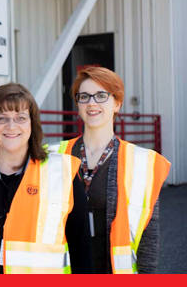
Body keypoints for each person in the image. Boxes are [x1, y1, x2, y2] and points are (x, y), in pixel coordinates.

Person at [0, 83, 94, 274]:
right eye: (2, 118)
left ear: (32, 124)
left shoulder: (62, 174)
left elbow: (82, 251)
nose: (11, 126)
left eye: (20, 118)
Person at [49, 67, 171, 274]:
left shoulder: (142, 163)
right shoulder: (53, 156)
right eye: (84, 96)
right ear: (78, 105)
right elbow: (11, 164)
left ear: (117, 103)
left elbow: (148, 238)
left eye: (101, 95)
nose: (92, 103)